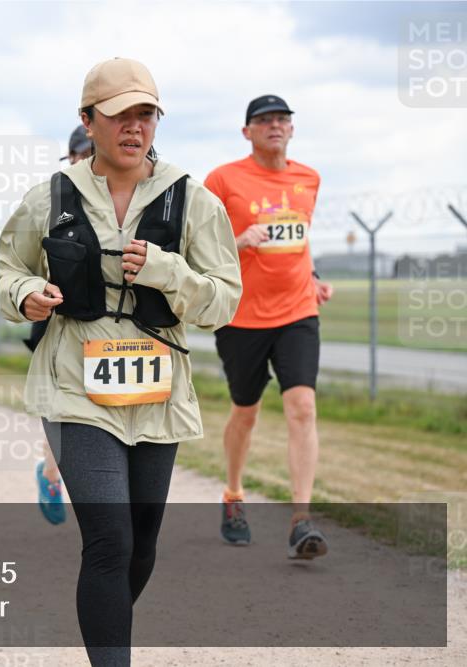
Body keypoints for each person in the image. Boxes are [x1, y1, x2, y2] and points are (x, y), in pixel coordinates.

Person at [0, 57, 241, 666]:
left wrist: (168, 271)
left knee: (140, 548)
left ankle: (101, 631)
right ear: (88, 121)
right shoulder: (48, 198)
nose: (135, 127)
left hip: (157, 391)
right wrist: (25, 295)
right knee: (109, 540)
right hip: (74, 387)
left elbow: (223, 302)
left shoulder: (194, 200)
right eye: (119, 115)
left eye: (146, 114)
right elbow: (8, 270)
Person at [204, 95, 333, 559]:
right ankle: (233, 494)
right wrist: (238, 241)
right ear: (247, 132)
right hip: (241, 316)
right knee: (246, 411)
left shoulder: (309, 178)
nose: (274, 125)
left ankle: (302, 519)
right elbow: (198, 244)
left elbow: (298, 239)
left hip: (297, 311)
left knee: (302, 407)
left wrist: (311, 277)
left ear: (292, 129)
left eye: (282, 119)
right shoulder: (222, 180)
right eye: (264, 120)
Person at [27, 124, 94, 526]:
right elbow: (25, 262)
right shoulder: (51, 201)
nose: (86, 161)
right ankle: (52, 475)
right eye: (79, 155)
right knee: (62, 407)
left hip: (110, 331)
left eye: (91, 153)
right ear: (69, 159)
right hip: (56, 322)